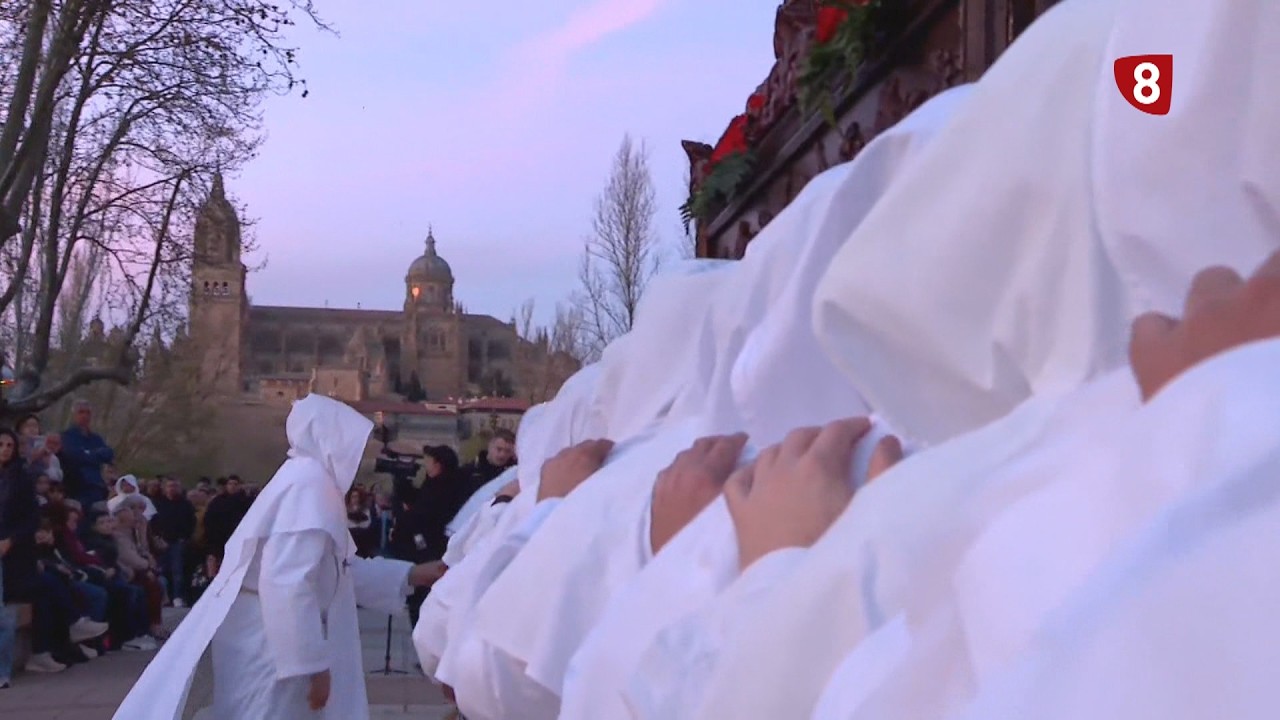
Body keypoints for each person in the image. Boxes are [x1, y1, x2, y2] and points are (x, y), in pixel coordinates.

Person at [114, 394, 449, 720]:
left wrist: (411, 575)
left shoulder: (306, 482)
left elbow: (336, 570)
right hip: (270, 645)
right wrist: (311, 665)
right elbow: (286, 582)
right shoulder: (308, 486)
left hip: (268, 634)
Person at [60, 400, 114, 508]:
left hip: (97, 488)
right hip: (77, 489)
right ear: (74, 415)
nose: (85, 415)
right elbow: (73, 456)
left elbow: (109, 454)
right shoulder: (66, 436)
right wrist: (96, 455)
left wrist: (87, 454)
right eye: (81, 412)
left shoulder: (96, 438)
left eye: (88, 412)